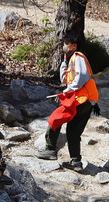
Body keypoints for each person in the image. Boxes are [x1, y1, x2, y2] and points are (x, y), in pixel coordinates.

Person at [37, 34, 99, 170]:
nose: (63, 46)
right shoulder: (71, 60)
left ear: (73, 46)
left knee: (55, 119)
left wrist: (69, 89)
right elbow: (64, 79)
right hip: (88, 101)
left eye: (66, 44)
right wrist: (64, 63)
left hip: (79, 99)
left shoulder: (78, 57)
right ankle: (76, 162)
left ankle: (50, 150)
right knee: (73, 132)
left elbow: (82, 76)